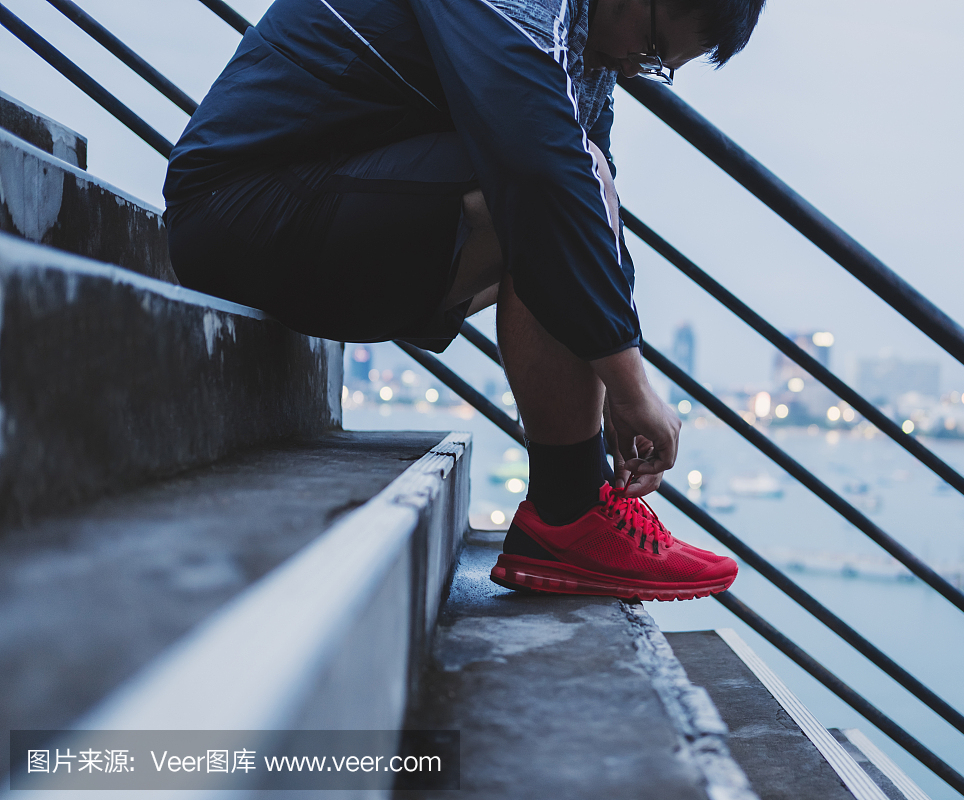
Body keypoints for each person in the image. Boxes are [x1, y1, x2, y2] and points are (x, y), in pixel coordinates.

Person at [163, 0, 765, 601]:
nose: (636, 68)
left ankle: (575, 505)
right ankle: (569, 512)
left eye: (655, 67)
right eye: (654, 49)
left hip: (328, 206)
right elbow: (544, 175)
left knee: (573, 186)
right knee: (547, 187)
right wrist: (630, 385)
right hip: (238, 210)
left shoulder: (586, 48)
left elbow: (594, 213)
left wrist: (611, 375)